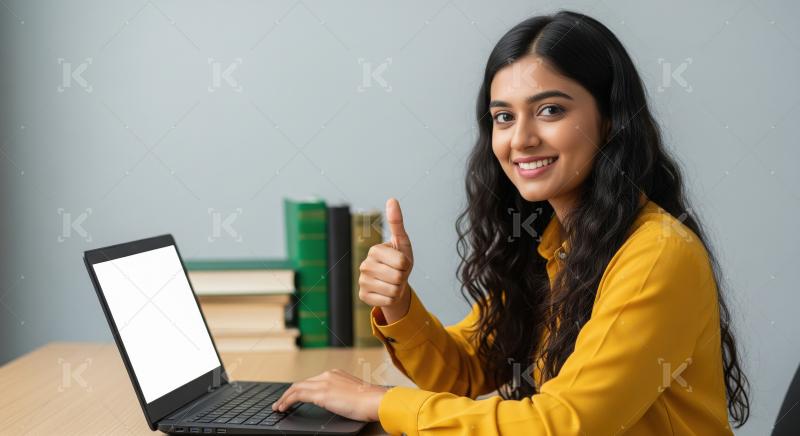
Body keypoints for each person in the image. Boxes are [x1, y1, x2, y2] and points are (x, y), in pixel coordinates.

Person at [272, 10, 750, 435]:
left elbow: (563, 424)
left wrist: (379, 402)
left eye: (550, 110)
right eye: (503, 117)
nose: (521, 139)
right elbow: (467, 370)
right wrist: (399, 307)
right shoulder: (554, 243)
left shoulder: (657, 253)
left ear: (609, 119)